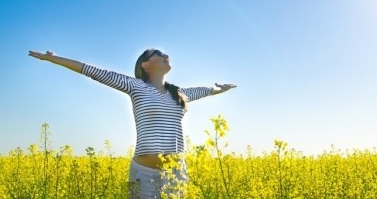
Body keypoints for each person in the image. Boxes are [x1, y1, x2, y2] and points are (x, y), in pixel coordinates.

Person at [28, 49, 236, 198]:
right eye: (158, 54)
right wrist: (54, 59)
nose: (166, 56)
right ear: (145, 65)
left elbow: (206, 91)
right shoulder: (136, 86)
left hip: (176, 171)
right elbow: (92, 71)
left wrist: (220, 89)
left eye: (166, 55)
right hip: (144, 172)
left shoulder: (179, 94)